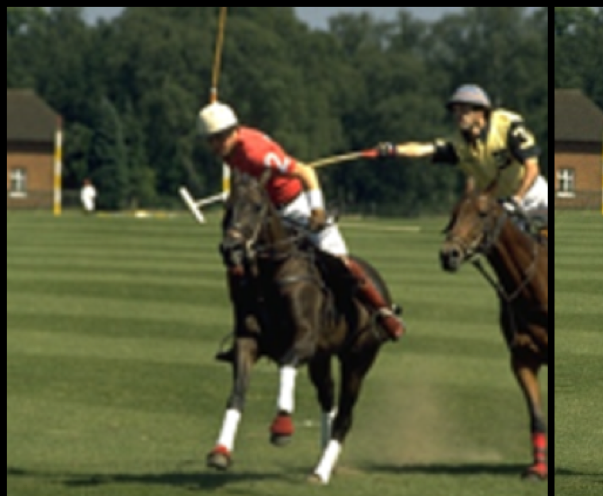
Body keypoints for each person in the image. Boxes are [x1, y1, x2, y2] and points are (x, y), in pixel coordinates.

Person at [199, 101, 405, 340]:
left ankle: (384, 313)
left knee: (340, 262)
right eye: (211, 140)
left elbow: (306, 172)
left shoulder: (255, 153)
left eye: (220, 138)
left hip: (296, 205)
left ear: (234, 130)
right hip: (268, 212)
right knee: (238, 261)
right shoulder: (229, 151)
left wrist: (317, 210)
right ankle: (246, 328)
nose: (215, 145)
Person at [375, 85, 548, 242]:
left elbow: (532, 167)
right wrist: (393, 150)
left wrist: (517, 199)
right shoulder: (459, 145)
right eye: (455, 111)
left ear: (481, 111)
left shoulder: (506, 126)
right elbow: (424, 149)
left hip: (533, 194)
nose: (458, 115)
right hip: (501, 204)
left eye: (464, 110)